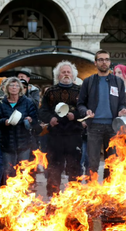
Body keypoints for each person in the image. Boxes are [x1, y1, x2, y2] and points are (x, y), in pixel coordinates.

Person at [77, 49, 126, 178]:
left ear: (110, 62)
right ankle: (93, 192)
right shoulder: (88, 82)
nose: (104, 62)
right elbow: (80, 104)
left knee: (112, 162)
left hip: (113, 126)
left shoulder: (118, 82)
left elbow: (122, 102)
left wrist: (122, 109)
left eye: (106, 59)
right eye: (100, 60)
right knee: (92, 162)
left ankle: (108, 191)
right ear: (95, 63)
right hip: (94, 126)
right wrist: (85, 111)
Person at [39, 61, 83, 197]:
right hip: (55, 135)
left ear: (73, 75)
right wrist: (50, 119)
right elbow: (42, 111)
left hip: (74, 134)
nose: (66, 74)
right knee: (54, 165)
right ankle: (53, 194)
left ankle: (74, 195)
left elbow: (85, 110)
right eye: (63, 72)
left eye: (68, 72)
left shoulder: (80, 91)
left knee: (74, 166)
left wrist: (74, 116)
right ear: (58, 75)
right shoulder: (50, 92)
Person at [0, 77, 37, 187]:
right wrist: (5, 122)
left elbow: (35, 119)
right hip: (7, 142)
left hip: (24, 142)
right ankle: (9, 196)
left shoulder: (27, 102)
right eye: (12, 85)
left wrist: (30, 120)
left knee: (23, 170)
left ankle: (21, 195)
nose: (14, 87)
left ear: (20, 88)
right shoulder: (1, 104)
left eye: (17, 85)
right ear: (7, 88)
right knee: (9, 170)